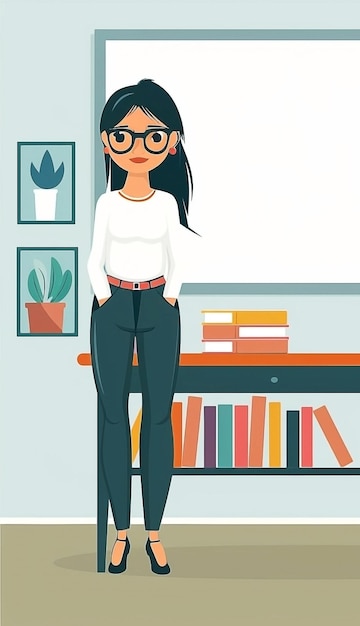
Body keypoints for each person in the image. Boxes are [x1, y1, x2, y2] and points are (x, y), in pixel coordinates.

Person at [87, 78, 194, 575]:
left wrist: (168, 296)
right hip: (111, 305)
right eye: (124, 136)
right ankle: (120, 533)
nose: (136, 148)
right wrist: (107, 297)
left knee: (157, 417)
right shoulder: (106, 204)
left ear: (170, 144)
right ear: (108, 141)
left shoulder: (167, 205)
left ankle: (153, 533)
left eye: (152, 137)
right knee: (113, 417)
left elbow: (179, 257)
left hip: (158, 306)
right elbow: (93, 259)